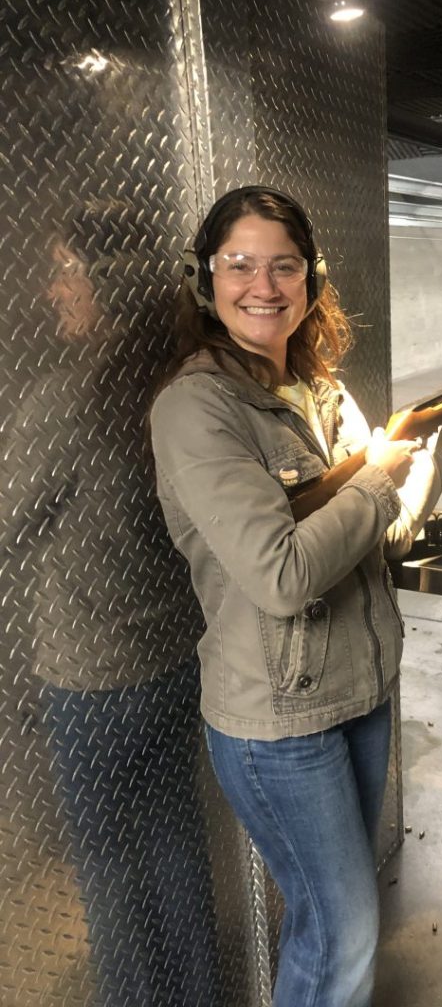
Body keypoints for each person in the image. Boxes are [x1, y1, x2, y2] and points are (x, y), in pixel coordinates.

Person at [149, 185, 442, 1007]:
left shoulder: (323, 393)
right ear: (207, 280)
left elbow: (380, 539)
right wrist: (381, 470)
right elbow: (283, 575)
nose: (263, 286)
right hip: (277, 723)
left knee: (333, 924)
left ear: (310, 282)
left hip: (363, 693)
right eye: (239, 265)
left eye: (284, 266)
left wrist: (438, 440)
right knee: (342, 933)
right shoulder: (195, 408)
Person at [2, 202, 223, 1006]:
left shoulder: (62, 402)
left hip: (92, 686)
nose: (53, 288)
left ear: (108, 283)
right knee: (174, 843)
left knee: (106, 872)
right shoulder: (186, 388)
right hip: (174, 665)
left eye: (66, 271)